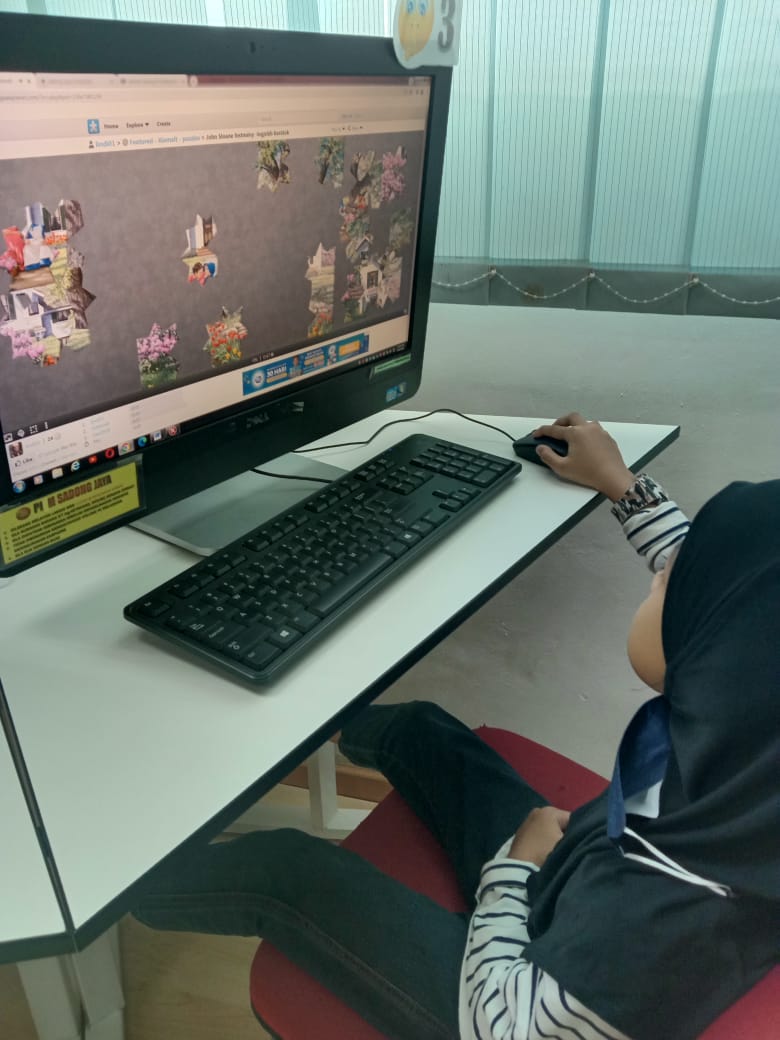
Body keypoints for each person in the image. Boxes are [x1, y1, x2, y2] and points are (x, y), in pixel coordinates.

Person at [132, 413, 779, 1040]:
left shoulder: (673, 907)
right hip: (591, 877)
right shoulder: (750, 746)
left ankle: (132, 889)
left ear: (720, 663)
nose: (662, 573)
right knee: (421, 728)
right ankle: (297, 734)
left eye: (671, 584)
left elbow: (506, 1026)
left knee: (283, 865)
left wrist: (514, 872)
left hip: (513, 999)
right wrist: (620, 482)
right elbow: (733, 583)